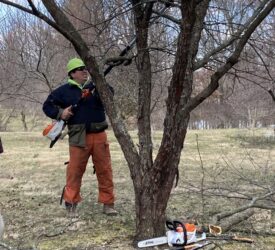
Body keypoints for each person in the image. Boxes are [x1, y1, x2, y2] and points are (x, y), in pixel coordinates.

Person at [43, 58, 118, 216]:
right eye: (80, 69)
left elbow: (110, 94)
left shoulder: (96, 85)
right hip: (77, 136)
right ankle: (71, 205)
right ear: (72, 73)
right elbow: (47, 105)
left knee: (105, 170)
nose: (85, 71)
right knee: (74, 171)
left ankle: (108, 204)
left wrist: (100, 84)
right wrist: (60, 113)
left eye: (86, 69)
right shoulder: (63, 91)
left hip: (99, 135)